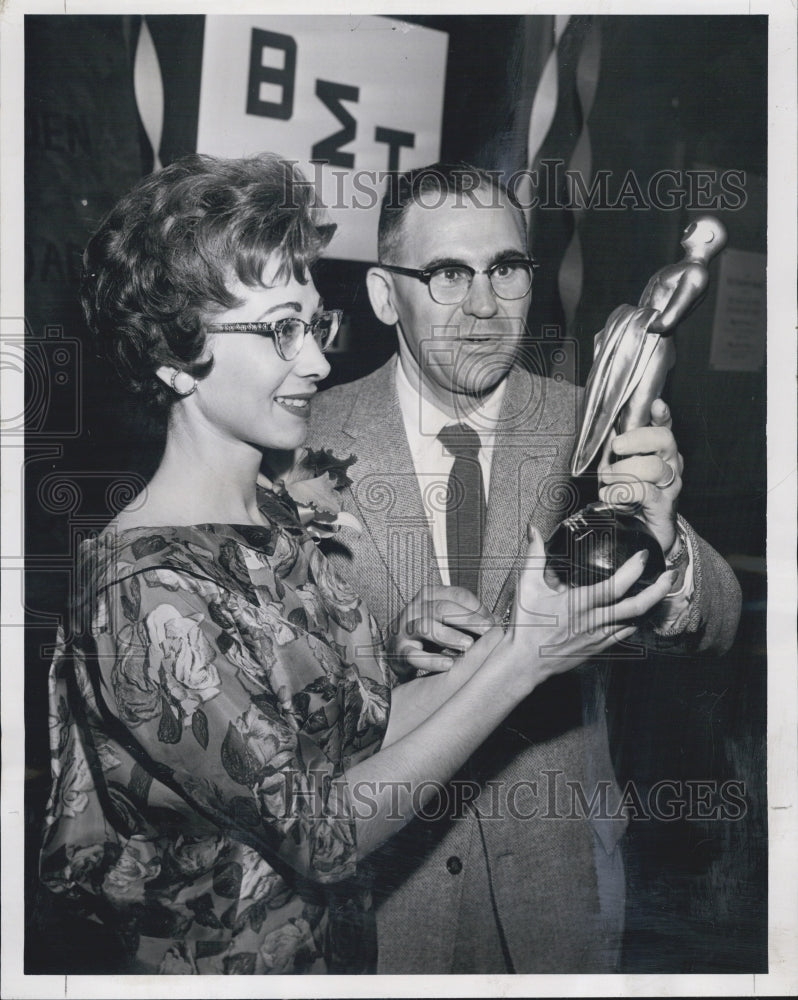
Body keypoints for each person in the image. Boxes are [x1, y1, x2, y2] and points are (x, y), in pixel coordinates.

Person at [37, 153, 674, 976]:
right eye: (279, 331)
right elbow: (324, 831)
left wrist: (531, 626)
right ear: (170, 353)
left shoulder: (272, 520)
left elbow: (367, 726)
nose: (317, 363)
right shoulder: (146, 587)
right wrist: (522, 662)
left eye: (314, 324)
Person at [301, 163, 742, 973]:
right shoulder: (299, 439)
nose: (483, 305)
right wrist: (381, 657)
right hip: (377, 910)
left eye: (505, 269)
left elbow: (718, 620)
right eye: (445, 274)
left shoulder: (595, 420)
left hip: (557, 904)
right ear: (380, 293)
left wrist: (668, 544)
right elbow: (259, 694)